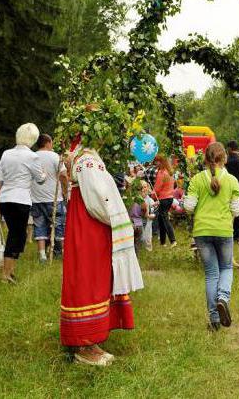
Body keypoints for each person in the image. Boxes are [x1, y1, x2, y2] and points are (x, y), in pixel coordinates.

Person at [60, 139, 143, 366]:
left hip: (87, 225)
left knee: (92, 279)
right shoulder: (87, 161)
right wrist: (117, 218)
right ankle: (84, 342)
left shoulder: (84, 157)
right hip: (91, 227)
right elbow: (99, 198)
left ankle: (89, 339)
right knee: (88, 280)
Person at [184, 142, 239, 331]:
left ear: (206, 159)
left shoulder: (197, 179)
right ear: (224, 158)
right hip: (224, 231)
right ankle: (223, 298)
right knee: (226, 268)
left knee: (211, 274)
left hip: (202, 231)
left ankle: (214, 320)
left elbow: (189, 207)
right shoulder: (232, 181)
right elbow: (237, 210)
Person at [0, 123, 46, 283]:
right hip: (21, 199)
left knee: (16, 234)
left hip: (4, 198)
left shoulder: (6, 154)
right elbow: (40, 179)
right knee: (17, 235)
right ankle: (5, 274)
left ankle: (10, 271)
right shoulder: (32, 156)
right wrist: (43, 173)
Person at [30, 134, 68, 263]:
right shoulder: (54, 156)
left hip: (36, 198)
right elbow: (63, 176)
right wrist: (65, 191)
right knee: (58, 225)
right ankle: (62, 253)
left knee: (39, 225)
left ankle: (42, 255)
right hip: (54, 197)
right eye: (51, 143)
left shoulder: (32, 157)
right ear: (47, 143)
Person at [152, 154, 176, 247]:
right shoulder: (169, 172)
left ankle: (173, 240)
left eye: (157, 161)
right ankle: (163, 242)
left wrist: (153, 195)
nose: (156, 163)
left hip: (163, 198)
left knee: (165, 219)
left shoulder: (161, 173)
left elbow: (157, 187)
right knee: (161, 219)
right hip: (170, 197)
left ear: (161, 162)